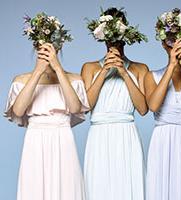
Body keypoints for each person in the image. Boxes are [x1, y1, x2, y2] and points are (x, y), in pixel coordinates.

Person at [4, 43, 89, 200]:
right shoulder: (22, 80)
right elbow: (18, 111)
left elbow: (75, 108)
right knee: (34, 186)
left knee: (67, 186)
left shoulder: (74, 79)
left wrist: (58, 69)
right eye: (42, 47)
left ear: (59, 47)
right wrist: (37, 72)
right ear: (36, 47)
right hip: (35, 138)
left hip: (63, 137)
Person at [82, 7, 148, 200]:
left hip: (126, 134)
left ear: (126, 35)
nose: (114, 42)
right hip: (99, 136)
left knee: (128, 187)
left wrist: (123, 72)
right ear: (103, 37)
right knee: (98, 187)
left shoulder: (140, 69)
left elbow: (143, 109)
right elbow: (86, 107)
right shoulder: (90, 67)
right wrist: (104, 71)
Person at [145, 8, 181, 200]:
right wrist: (171, 66)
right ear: (163, 44)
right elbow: (153, 106)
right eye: (170, 43)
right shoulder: (151, 76)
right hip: (163, 139)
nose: (175, 49)